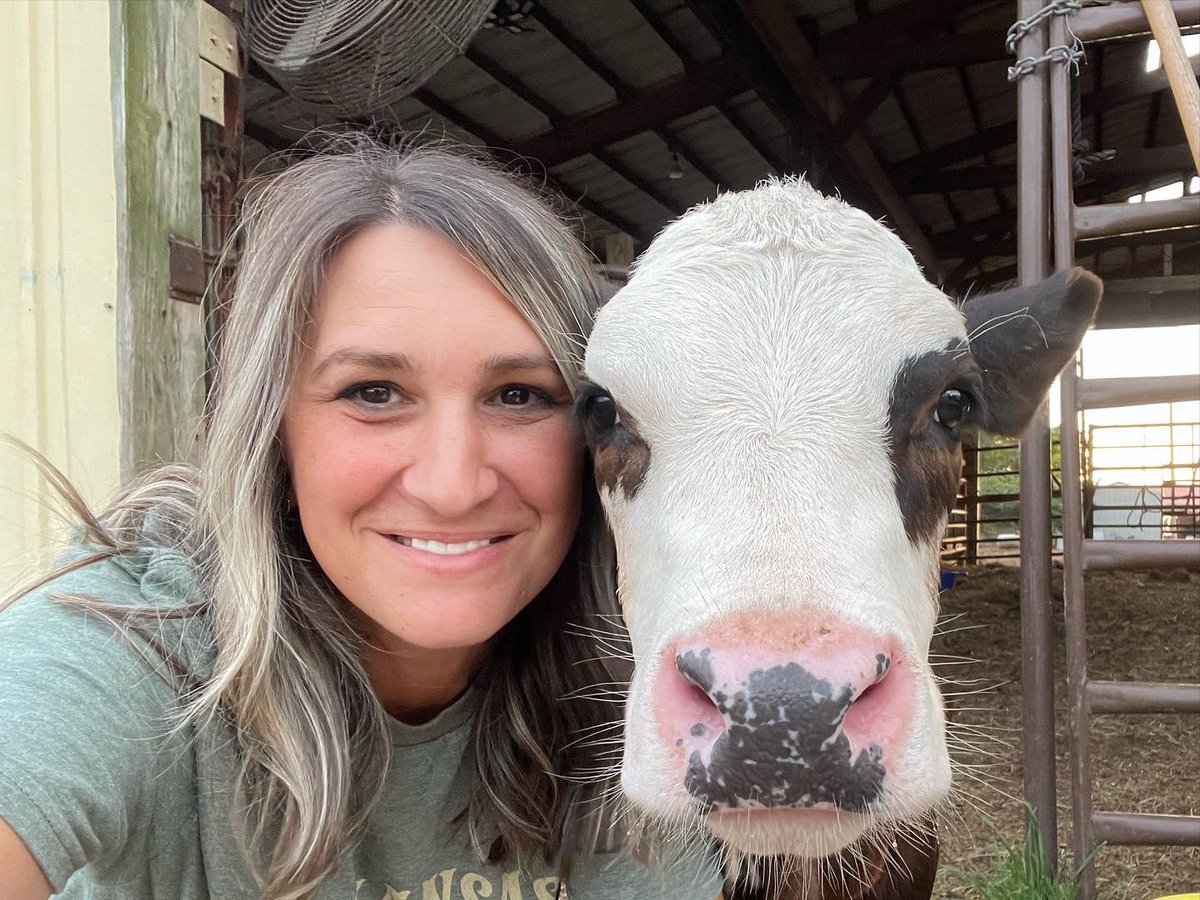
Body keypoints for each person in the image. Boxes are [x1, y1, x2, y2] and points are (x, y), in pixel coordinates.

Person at [0, 139, 720, 900]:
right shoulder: (138, 645)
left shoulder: (641, 684)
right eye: (374, 392)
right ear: (275, 438)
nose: (452, 486)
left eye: (519, 395)